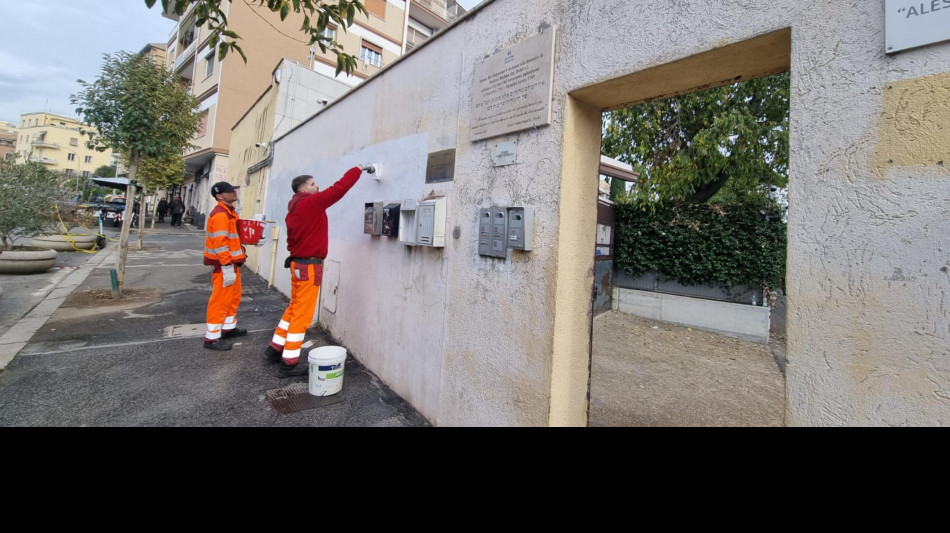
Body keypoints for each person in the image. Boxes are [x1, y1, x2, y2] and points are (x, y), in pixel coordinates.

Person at [265, 163, 374, 377]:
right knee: (302, 317)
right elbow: (338, 189)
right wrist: (357, 169)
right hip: (309, 267)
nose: (318, 187)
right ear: (304, 190)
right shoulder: (311, 203)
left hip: (297, 264)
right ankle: (289, 363)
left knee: (293, 308)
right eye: (313, 184)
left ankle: (274, 349)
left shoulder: (293, 208)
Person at [202, 182, 247, 351]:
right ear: (220, 196)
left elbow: (233, 238)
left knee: (233, 298)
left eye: (233, 189)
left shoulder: (229, 213)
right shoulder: (221, 215)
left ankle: (228, 328)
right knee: (220, 301)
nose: (233, 192)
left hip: (230, 264)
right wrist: (226, 264)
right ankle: (211, 338)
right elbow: (220, 243)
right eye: (229, 191)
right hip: (224, 265)